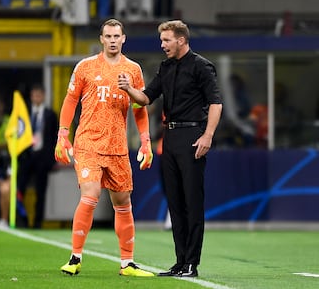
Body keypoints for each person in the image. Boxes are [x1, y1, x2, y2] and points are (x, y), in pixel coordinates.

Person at [118, 20, 223, 277]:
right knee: (175, 203)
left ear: (181, 40)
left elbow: (215, 103)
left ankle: (191, 264)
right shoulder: (165, 68)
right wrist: (128, 88)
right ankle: (179, 262)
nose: (162, 44)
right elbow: (146, 98)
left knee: (192, 202)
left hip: (192, 136)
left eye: (166, 40)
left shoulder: (201, 66)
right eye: (162, 40)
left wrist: (208, 135)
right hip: (170, 136)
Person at [55, 18, 154, 277]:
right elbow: (70, 101)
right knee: (91, 193)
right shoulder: (85, 67)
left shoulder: (133, 70)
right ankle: (75, 258)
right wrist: (62, 135)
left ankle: (127, 264)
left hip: (118, 145)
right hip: (88, 142)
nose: (112, 40)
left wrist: (146, 140)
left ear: (123, 39)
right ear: (101, 39)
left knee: (123, 203)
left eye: (116, 36)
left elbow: (139, 108)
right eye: (107, 36)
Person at [17, 83, 58, 228]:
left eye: (39, 94)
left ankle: (37, 223)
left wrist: (53, 159)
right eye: (34, 95)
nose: (37, 97)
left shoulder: (50, 115)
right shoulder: (24, 114)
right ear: (31, 96)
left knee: (41, 192)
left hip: (43, 158)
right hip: (27, 157)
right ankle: (20, 219)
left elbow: (54, 138)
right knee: (19, 189)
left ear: (44, 96)